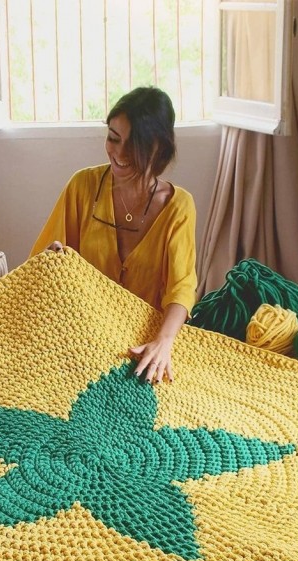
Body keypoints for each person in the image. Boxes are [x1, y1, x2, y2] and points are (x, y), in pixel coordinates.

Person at [30, 86, 197, 384]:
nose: (119, 153)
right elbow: (38, 265)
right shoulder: (81, 186)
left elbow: (182, 287)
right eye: (113, 138)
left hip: (142, 342)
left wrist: (164, 342)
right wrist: (52, 260)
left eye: (134, 145)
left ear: (159, 147)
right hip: (80, 333)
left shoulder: (178, 206)